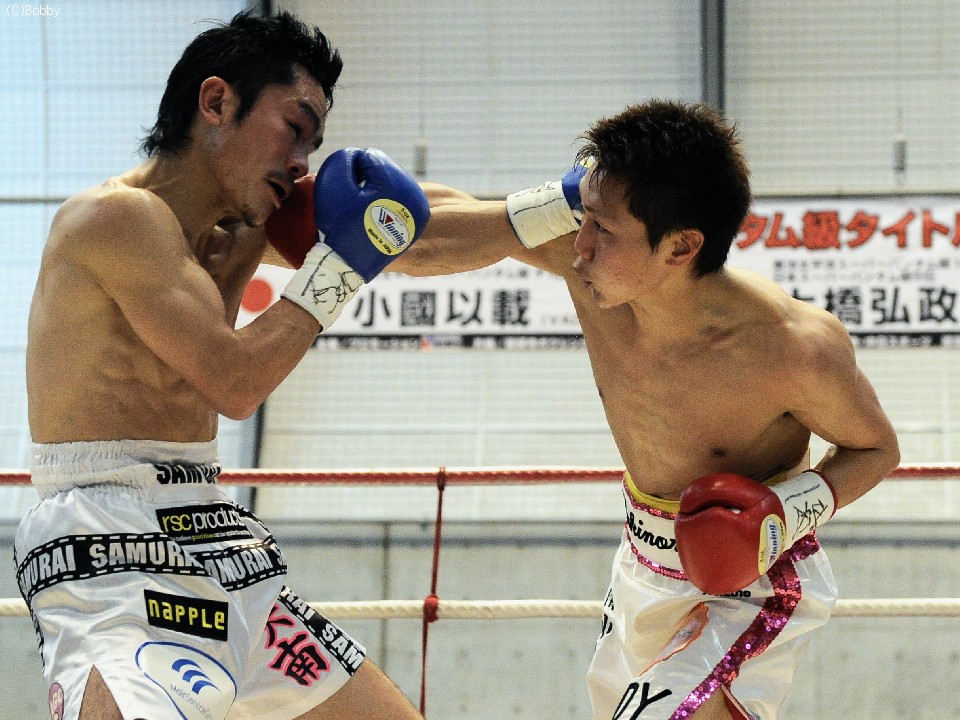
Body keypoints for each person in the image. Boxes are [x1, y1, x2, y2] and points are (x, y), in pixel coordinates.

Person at [391, 100, 901, 719]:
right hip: (639, 566)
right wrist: (551, 203)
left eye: (603, 230)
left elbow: (877, 448)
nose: (579, 246)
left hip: (747, 586)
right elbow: (409, 234)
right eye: (583, 218)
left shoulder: (791, 348)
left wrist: (784, 513)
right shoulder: (592, 270)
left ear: (681, 247)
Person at [16, 10, 430, 720]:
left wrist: (560, 210)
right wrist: (338, 267)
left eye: (314, 144)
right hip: (109, 544)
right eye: (294, 128)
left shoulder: (245, 228)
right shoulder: (112, 218)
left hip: (216, 534)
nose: (302, 161)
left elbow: (422, 227)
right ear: (216, 101)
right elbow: (236, 384)